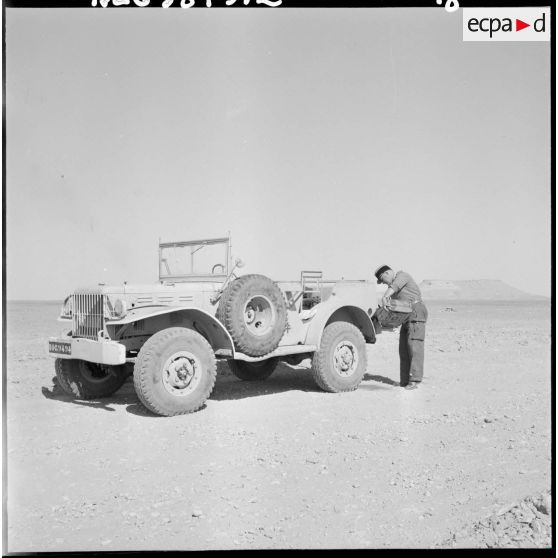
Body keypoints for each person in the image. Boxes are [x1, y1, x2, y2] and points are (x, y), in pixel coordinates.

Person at [372, 265, 428, 390]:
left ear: (387, 273)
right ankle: (404, 381)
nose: (384, 283)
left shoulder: (402, 276)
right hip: (405, 314)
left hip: (416, 311)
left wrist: (385, 296)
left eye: (383, 279)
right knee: (403, 348)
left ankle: (415, 380)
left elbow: (394, 286)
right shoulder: (392, 289)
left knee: (414, 345)